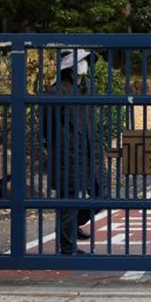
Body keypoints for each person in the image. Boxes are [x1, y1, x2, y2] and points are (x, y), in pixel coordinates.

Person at [45, 49, 103, 255]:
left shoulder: (89, 88)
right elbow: (47, 128)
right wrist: (59, 145)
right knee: (67, 200)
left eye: (86, 60)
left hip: (90, 151)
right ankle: (67, 248)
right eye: (80, 61)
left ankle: (71, 225)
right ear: (68, 66)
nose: (84, 64)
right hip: (66, 153)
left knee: (99, 196)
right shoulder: (55, 92)